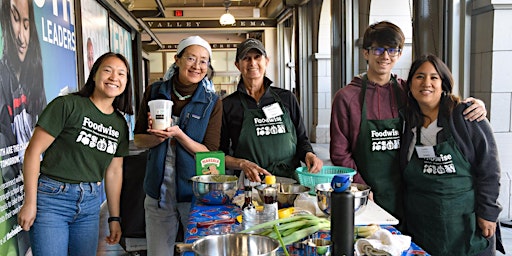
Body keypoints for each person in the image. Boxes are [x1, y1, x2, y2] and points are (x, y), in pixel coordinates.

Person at [329, 21, 486, 222]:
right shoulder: (346, 97)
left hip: (409, 192)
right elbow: (339, 152)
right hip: (366, 193)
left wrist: (474, 104)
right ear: (365, 53)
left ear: (399, 54)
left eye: (392, 50)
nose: (385, 56)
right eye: (378, 49)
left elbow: (439, 102)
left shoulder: (407, 91)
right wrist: (361, 187)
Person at [17, 52, 133, 256]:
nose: (114, 77)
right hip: (52, 200)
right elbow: (33, 152)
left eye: (121, 74)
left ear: (126, 82)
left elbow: (114, 172)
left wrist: (114, 218)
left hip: (89, 204)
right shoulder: (67, 105)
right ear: (94, 75)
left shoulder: (119, 124)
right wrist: (30, 202)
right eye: (107, 70)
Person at [400, 54, 502, 255]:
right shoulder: (407, 121)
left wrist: (489, 212)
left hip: (463, 223)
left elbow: (489, 168)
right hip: (422, 224)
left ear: (444, 84)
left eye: (434, 77)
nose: (426, 83)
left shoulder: (466, 115)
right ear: (410, 84)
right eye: (419, 77)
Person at [133, 35, 222, 256]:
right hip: (158, 191)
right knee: (158, 252)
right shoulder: (155, 92)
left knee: (200, 251)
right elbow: (138, 139)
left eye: (203, 61)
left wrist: (179, 135)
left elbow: (209, 154)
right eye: (191, 58)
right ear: (177, 59)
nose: (197, 66)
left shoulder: (212, 101)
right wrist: (158, 137)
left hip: (195, 193)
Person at [220, 38, 323, 184]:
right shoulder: (228, 105)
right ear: (237, 65)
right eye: (246, 58)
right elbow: (220, 155)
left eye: (257, 57)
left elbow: (302, 140)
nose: (252, 63)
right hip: (251, 184)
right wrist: (241, 164)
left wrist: (309, 154)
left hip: (289, 184)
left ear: (266, 61)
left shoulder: (287, 98)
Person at [0, 0, 45, 254]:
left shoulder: (33, 84)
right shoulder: (1, 80)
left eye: (27, 24)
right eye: (15, 20)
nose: (21, 35)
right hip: (16, 201)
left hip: (38, 196)